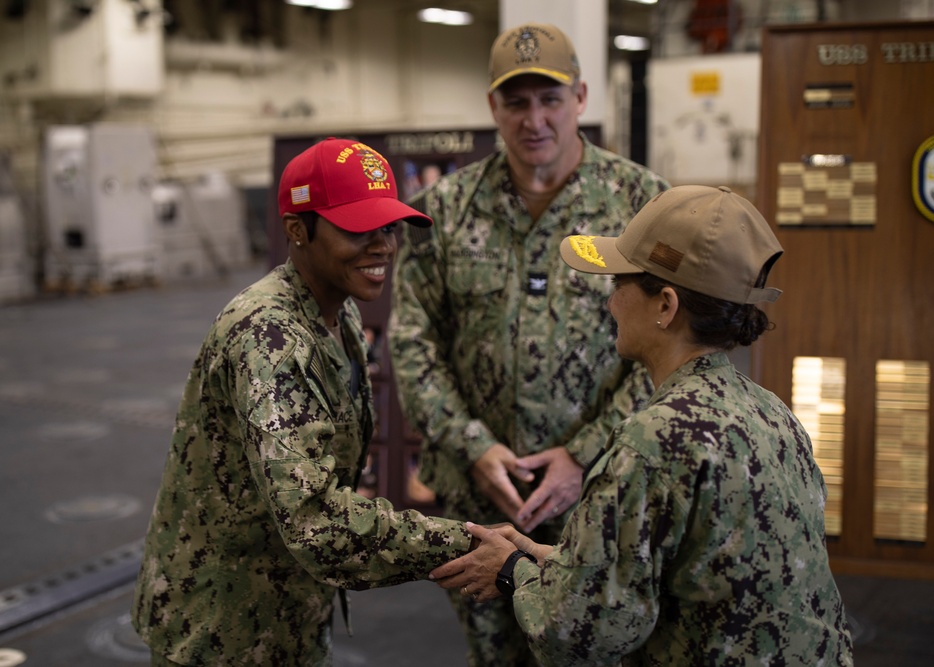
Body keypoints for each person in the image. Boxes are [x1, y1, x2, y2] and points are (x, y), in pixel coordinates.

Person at [429, 185, 855, 666]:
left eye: (620, 284)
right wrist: (551, 559)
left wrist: (510, 571)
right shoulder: (773, 414)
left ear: (665, 306)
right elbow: (695, 572)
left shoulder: (654, 442)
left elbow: (578, 633)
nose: (609, 303)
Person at [388, 22, 670, 665]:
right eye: (516, 101)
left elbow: (670, 348)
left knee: (596, 652)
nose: (534, 118)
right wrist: (473, 445)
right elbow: (412, 342)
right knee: (495, 656)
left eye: (550, 98)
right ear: (493, 107)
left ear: (581, 98)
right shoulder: (447, 211)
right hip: (481, 501)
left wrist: (581, 455)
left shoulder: (642, 206)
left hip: (602, 495)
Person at [132, 138, 474, 666]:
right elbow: (316, 521)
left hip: (286, 610)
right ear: (297, 230)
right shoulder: (269, 338)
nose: (382, 245)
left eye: (388, 226)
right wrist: (470, 547)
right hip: (224, 629)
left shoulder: (338, 311)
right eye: (358, 229)